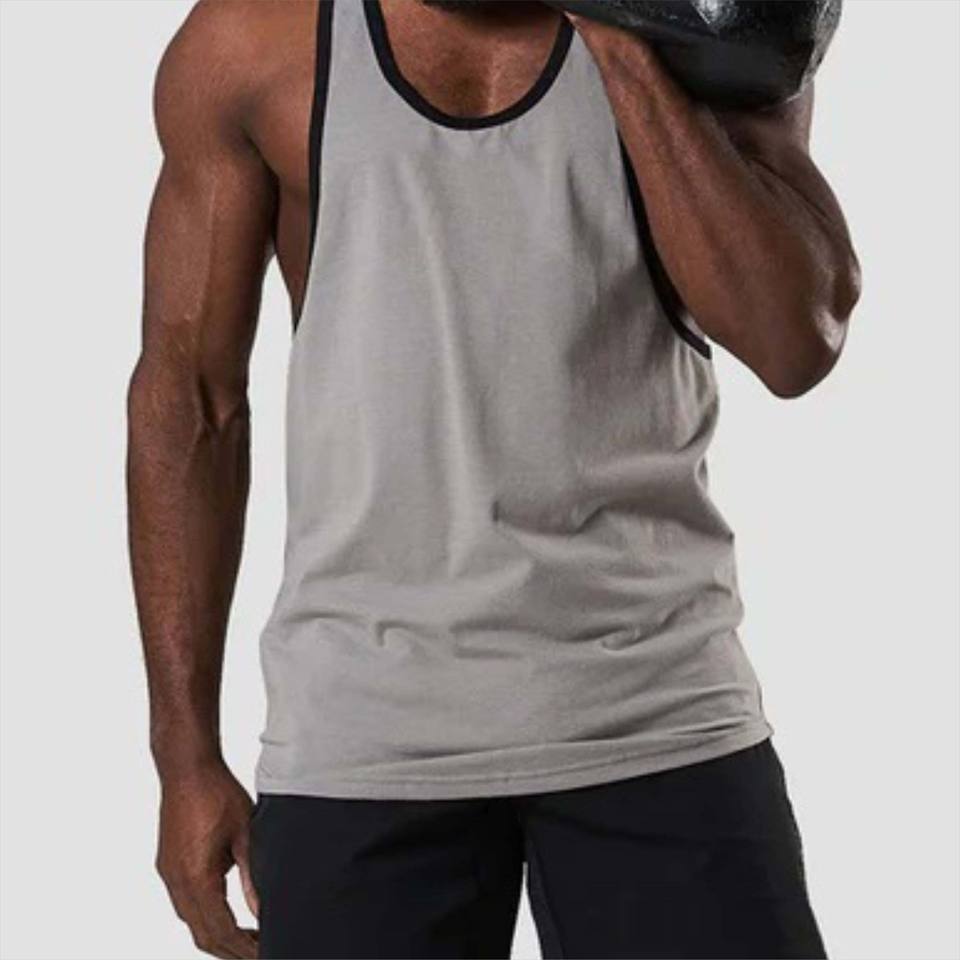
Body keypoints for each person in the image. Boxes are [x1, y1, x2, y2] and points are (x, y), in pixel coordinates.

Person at [127, 1, 860, 957]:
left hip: (658, 707)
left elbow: (795, 339)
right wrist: (183, 756)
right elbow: (192, 401)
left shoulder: (702, 22)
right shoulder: (255, 39)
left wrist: (623, 43)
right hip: (363, 730)